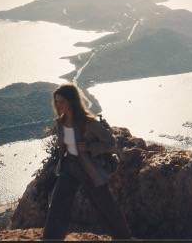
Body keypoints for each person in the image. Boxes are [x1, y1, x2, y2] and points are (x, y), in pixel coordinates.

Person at [42, 84, 132, 241]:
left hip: (89, 169)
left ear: (72, 101)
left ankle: (123, 238)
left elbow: (111, 143)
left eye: (62, 101)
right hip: (68, 168)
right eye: (56, 102)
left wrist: (90, 147)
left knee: (105, 207)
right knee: (57, 206)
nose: (58, 105)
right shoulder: (61, 123)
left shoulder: (89, 123)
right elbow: (64, 147)